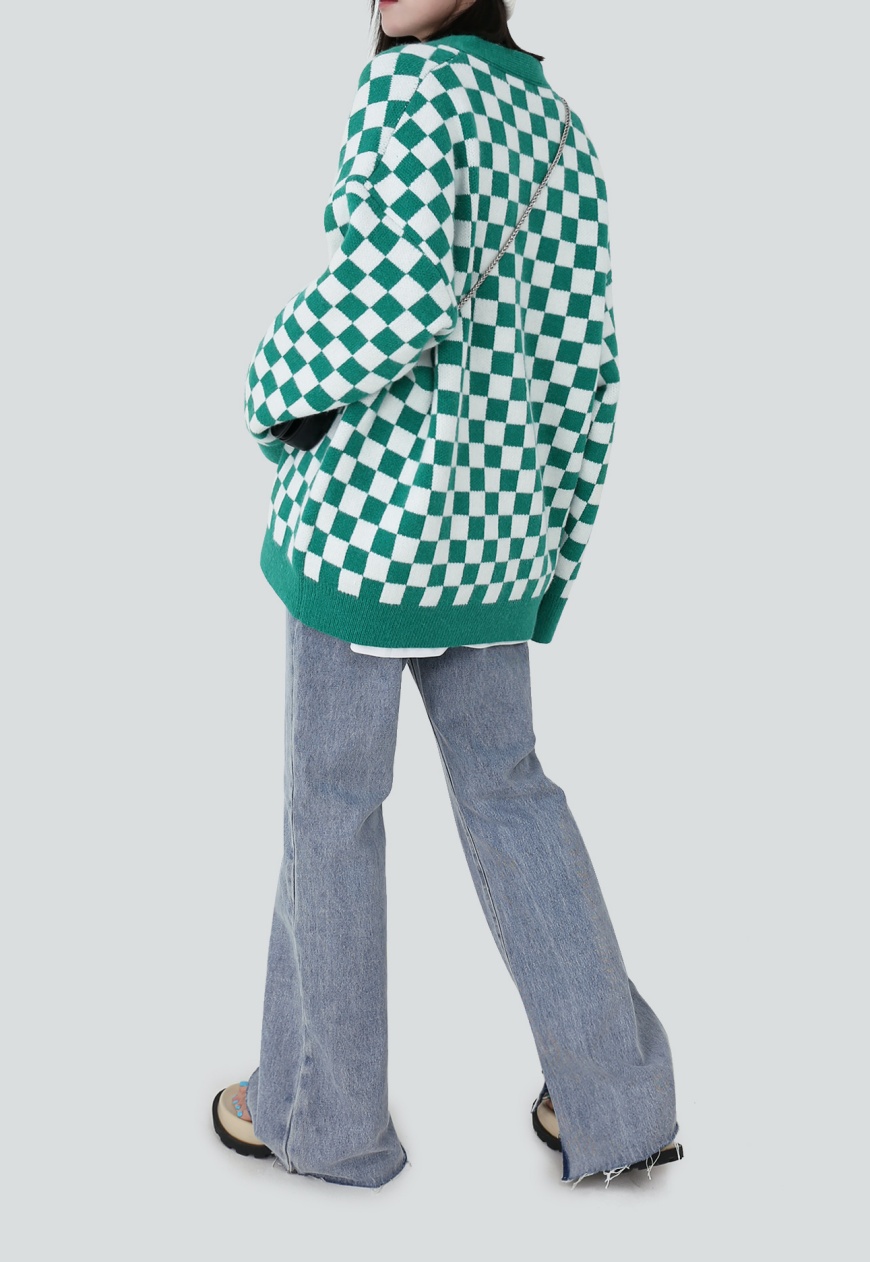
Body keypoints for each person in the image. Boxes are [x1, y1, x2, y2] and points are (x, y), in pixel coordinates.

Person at [211, 0, 683, 1190]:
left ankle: (323, 1118)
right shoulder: (552, 119)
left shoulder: (410, 88)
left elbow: (390, 298)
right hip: (491, 535)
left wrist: (268, 386)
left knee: (329, 807)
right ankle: (617, 1103)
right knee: (510, 793)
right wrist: (549, 544)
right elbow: (586, 356)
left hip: (369, 533)